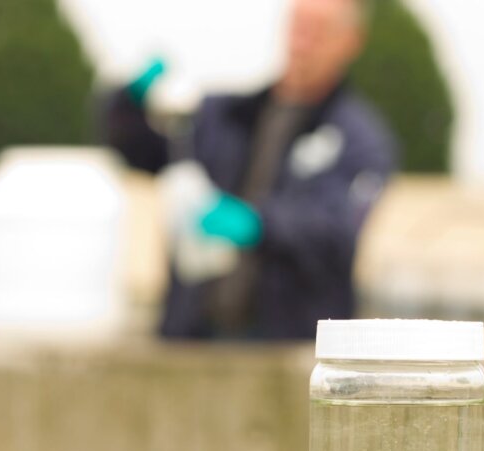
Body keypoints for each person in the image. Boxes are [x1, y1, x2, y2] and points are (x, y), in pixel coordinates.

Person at [104, 0, 396, 340]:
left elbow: (339, 231)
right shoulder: (225, 115)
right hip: (195, 339)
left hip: (287, 348)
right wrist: (127, 102)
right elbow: (143, 151)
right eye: (298, 27)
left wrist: (260, 225)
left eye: (318, 31)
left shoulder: (361, 140)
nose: (303, 42)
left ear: (350, 41)